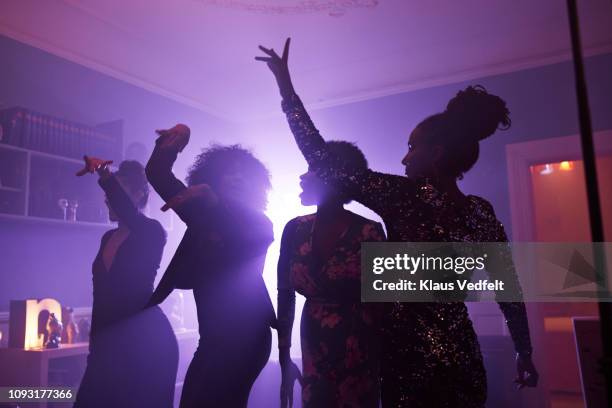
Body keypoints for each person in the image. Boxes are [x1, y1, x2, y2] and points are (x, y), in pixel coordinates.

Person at [257, 39, 538, 407]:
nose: (404, 159)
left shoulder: (403, 195)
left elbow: (322, 157)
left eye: (411, 147)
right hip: (461, 355)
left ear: (435, 153)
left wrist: (287, 91)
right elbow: (509, 290)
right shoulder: (479, 211)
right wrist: (524, 351)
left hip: (407, 354)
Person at [145, 124, 276, 407]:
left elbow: (238, 242)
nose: (237, 177)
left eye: (244, 173)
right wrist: (172, 145)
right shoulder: (201, 213)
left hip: (248, 336)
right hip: (213, 337)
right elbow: (158, 175)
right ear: (214, 176)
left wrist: (213, 203)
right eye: (230, 171)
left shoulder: (261, 223)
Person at [277, 140, 386, 408]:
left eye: (312, 168)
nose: (303, 176)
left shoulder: (369, 231)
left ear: (334, 174)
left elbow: (385, 305)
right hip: (312, 342)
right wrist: (284, 356)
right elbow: (285, 293)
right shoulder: (295, 228)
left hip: (359, 345)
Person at [74, 158, 178, 408]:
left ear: (140, 194)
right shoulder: (107, 237)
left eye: (117, 192)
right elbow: (101, 296)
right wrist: (95, 349)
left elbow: (129, 213)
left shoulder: (152, 231)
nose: (108, 198)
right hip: (110, 341)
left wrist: (104, 174)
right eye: (109, 193)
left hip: (148, 341)